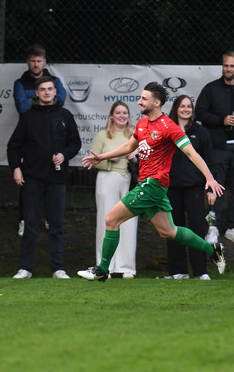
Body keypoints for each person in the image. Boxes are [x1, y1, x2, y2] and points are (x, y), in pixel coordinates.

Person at [78, 82, 225, 281]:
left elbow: (191, 153)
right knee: (169, 232)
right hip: (147, 184)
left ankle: (102, 269)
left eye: (143, 99)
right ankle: (212, 249)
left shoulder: (169, 127)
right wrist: (102, 157)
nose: (139, 101)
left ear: (156, 103)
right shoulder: (142, 123)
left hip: (153, 184)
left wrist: (209, 178)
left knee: (111, 220)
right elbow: (129, 146)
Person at [7, 76, 81, 279]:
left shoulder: (65, 115)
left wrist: (64, 155)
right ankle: (26, 268)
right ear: (37, 93)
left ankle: (57, 268)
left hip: (57, 179)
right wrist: (16, 168)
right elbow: (14, 146)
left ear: (55, 92)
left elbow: (75, 143)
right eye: (43, 89)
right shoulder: (28, 117)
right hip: (32, 178)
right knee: (30, 223)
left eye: (50, 89)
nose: (47, 92)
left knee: (56, 224)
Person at [195, 51, 234, 247]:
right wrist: (221, 121)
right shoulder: (211, 89)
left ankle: (233, 228)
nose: (229, 69)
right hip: (217, 148)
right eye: (226, 65)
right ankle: (213, 228)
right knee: (215, 188)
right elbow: (200, 113)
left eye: (232, 66)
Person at [12, 44, 67, 237]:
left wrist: (32, 99)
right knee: (28, 183)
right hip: (30, 136)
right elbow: (21, 105)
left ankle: (49, 219)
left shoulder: (55, 80)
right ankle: (24, 221)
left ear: (44, 62)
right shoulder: (20, 82)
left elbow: (61, 100)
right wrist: (40, 100)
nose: (36, 64)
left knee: (51, 183)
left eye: (39, 61)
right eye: (32, 61)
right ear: (28, 62)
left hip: (51, 137)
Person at [162, 94, 215, 279]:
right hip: (171, 188)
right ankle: (178, 271)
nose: (186, 109)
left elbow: (209, 161)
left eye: (189, 106)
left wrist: (210, 188)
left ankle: (201, 271)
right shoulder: (166, 131)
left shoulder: (201, 133)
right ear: (176, 108)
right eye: (182, 106)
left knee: (197, 228)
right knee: (173, 229)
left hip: (194, 188)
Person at [90, 101, 137, 278]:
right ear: (112, 115)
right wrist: (110, 159)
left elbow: (144, 161)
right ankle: (104, 267)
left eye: (125, 113)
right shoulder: (103, 135)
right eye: (118, 113)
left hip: (129, 180)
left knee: (129, 223)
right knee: (106, 221)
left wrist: (134, 158)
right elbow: (93, 160)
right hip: (107, 179)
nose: (122, 116)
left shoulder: (134, 135)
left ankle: (126, 268)